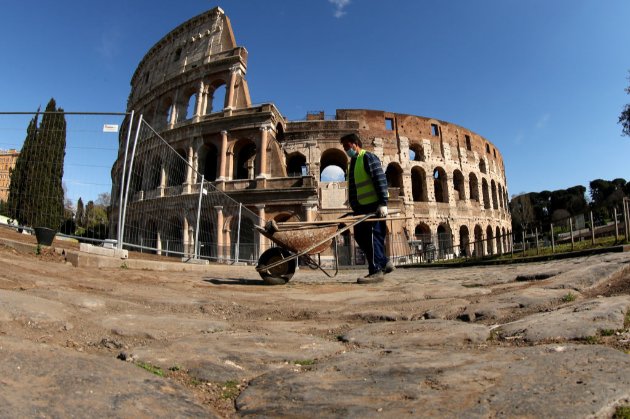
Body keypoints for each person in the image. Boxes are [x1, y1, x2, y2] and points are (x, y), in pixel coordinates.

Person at [340, 133, 394, 284]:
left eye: (347, 146)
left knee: (373, 237)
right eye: (344, 147)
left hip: (374, 206)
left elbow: (380, 178)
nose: (345, 149)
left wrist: (383, 203)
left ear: (355, 144)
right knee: (360, 237)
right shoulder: (353, 162)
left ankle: (376, 271)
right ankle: (383, 262)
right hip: (361, 209)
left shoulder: (368, 157)